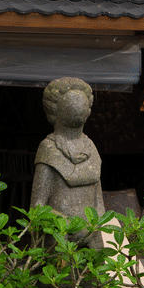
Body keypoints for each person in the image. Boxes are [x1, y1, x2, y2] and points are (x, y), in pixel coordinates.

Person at [30, 77, 106, 248]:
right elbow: (37, 205)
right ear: (55, 111)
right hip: (60, 234)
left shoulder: (91, 147)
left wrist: (95, 225)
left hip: (92, 233)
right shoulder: (49, 148)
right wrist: (62, 225)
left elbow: (98, 201)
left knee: (98, 274)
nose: (79, 108)